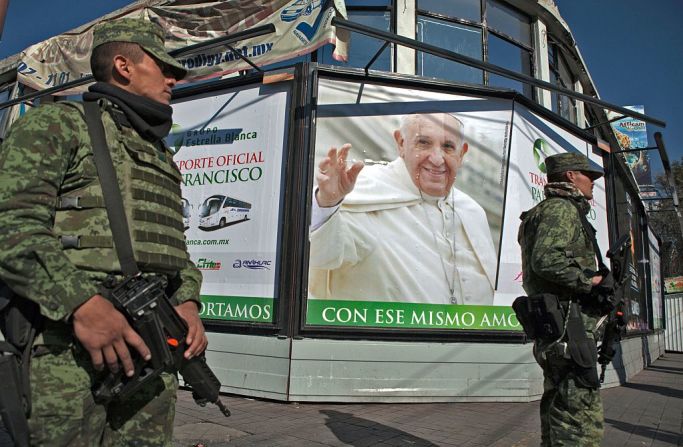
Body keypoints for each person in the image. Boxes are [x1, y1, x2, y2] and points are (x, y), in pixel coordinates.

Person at [0, 18, 206, 445]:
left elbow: (174, 250)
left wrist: (187, 301)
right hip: (68, 353)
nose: (173, 79)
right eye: (163, 67)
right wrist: (83, 304)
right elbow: (11, 224)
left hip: (152, 351)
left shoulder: (159, 154)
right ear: (123, 66)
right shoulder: (59, 124)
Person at [309, 112, 496, 305]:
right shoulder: (364, 190)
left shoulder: (472, 211)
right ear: (400, 143)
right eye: (424, 143)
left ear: (462, 153)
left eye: (448, 146)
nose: (437, 159)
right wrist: (328, 203)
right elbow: (322, 256)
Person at [517, 152, 606, 446]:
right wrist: (588, 281)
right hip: (570, 324)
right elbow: (546, 259)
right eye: (587, 175)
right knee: (580, 415)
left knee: (558, 401)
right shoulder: (561, 209)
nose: (592, 182)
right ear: (570, 176)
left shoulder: (543, 211)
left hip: (558, 324)